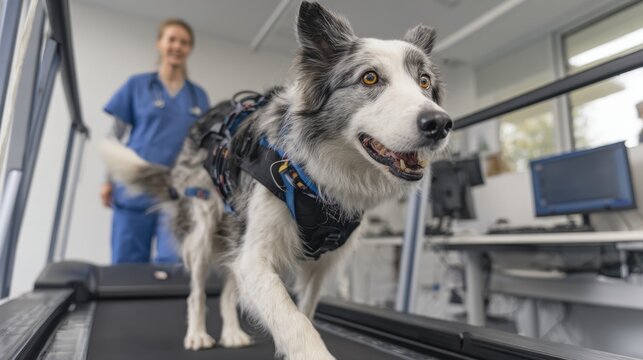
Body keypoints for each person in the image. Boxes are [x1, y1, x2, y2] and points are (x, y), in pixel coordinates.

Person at [101, 19, 209, 264]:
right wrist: (107, 181)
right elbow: (114, 137)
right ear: (160, 43)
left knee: (174, 265)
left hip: (176, 193)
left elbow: (203, 148)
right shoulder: (136, 85)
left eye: (184, 42)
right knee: (126, 264)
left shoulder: (198, 96)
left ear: (189, 49)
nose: (177, 46)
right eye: (171, 39)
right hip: (133, 186)